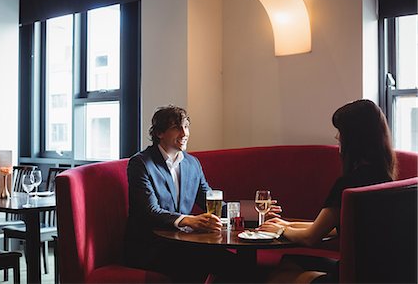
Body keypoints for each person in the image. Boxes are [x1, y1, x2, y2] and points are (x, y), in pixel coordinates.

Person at [124, 105, 280, 283]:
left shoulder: (192, 164)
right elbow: (149, 211)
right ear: (159, 133)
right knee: (222, 263)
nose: (184, 133)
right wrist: (188, 220)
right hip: (150, 247)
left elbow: (212, 203)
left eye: (186, 126)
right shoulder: (141, 163)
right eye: (177, 127)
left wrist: (256, 212)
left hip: (182, 243)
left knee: (234, 263)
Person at [259, 99, 397, 283]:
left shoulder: (349, 183)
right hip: (377, 273)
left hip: (351, 276)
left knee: (278, 277)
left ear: (354, 138)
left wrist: (279, 231)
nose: (337, 137)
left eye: (341, 131)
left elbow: (311, 238)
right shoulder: (383, 178)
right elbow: (332, 228)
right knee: (289, 261)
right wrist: (285, 225)